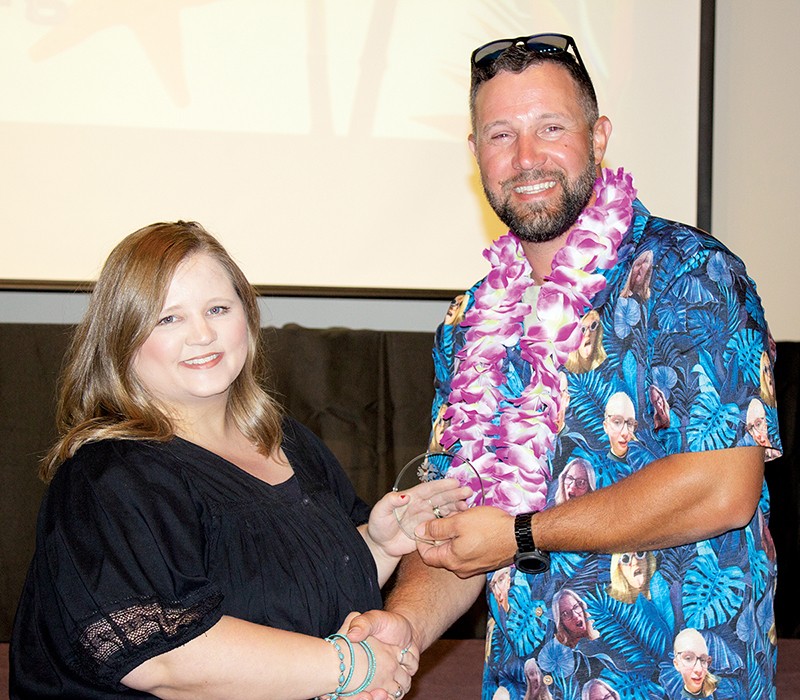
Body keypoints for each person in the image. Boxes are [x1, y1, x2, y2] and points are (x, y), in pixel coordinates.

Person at [348, 32, 781, 697]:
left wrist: (523, 534)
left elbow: (723, 488)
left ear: (598, 136)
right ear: (474, 155)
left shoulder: (691, 275)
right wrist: (404, 625)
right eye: (500, 135)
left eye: (550, 127)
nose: (526, 158)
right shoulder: (469, 323)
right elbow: (459, 530)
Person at [8, 221, 471, 699]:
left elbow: (287, 596)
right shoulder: (107, 476)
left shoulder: (288, 441)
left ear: (247, 320)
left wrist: (377, 546)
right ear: (122, 338)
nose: (202, 335)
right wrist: (353, 667)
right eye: (169, 318)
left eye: (218, 309)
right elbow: (162, 658)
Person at [672, 629, 718, 698]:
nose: (699, 669)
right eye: (688, 659)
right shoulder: (676, 692)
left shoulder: (722, 690)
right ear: (677, 664)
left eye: (703, 660)